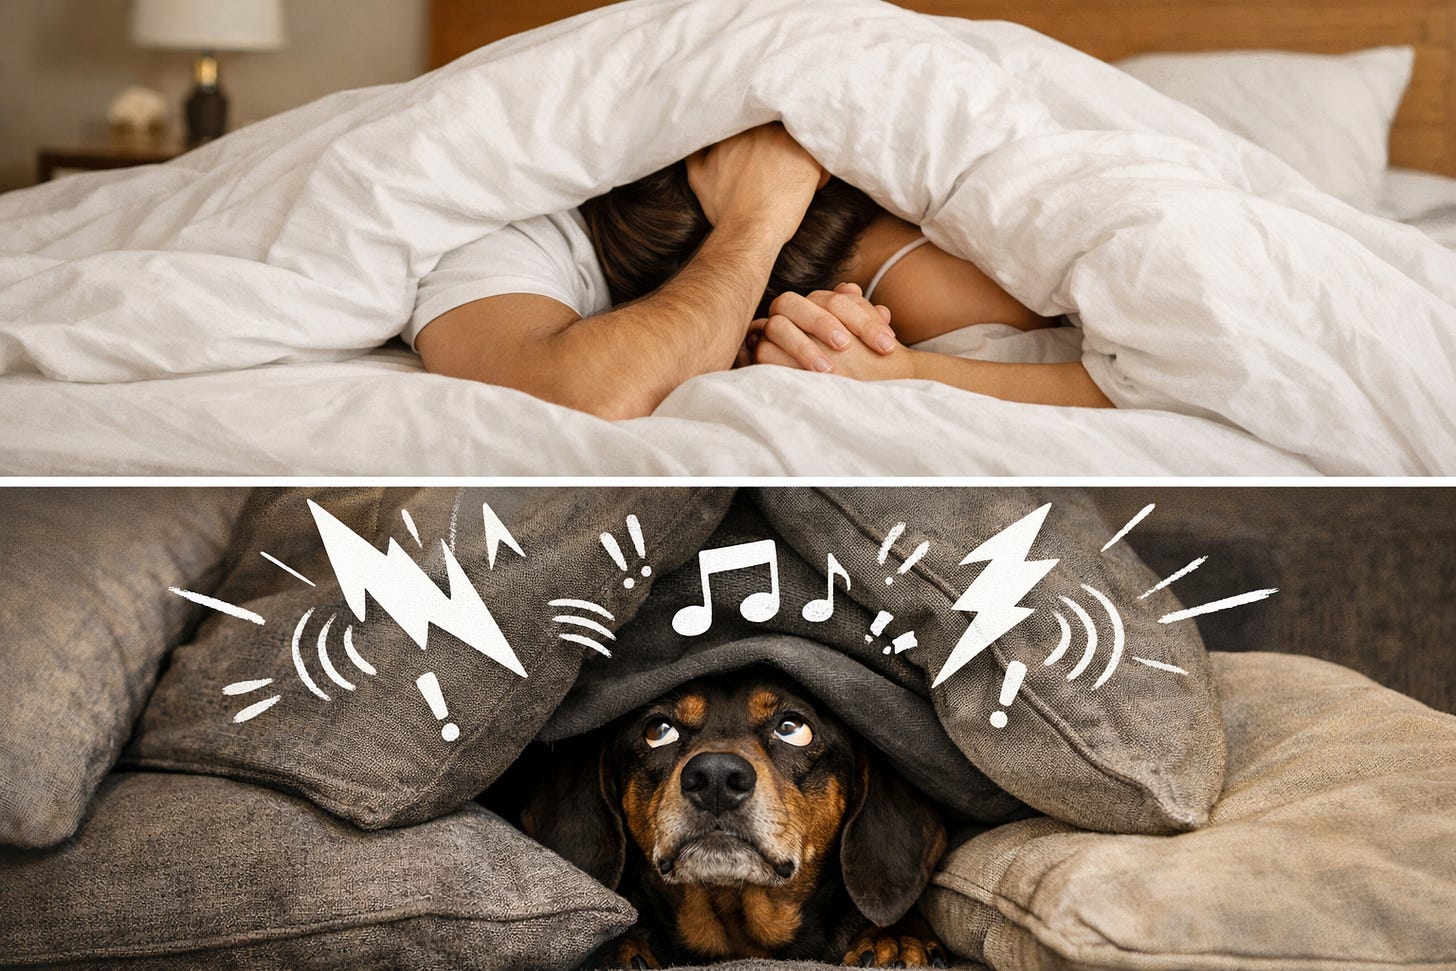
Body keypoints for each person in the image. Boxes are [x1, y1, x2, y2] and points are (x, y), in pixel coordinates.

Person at [411, 124, 1112, 419]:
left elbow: (1138, 379)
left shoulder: (864, 228)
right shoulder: (500, 227)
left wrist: (903, 374)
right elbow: (593, 395)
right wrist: (756, 223)